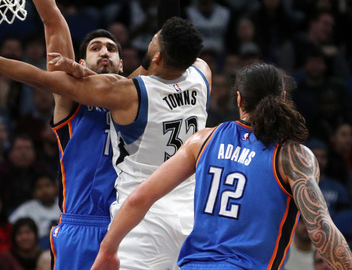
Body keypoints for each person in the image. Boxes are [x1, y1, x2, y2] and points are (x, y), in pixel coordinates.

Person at [0, 0, 190, 270]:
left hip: (132, 226)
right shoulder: (70, 100)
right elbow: (52, 18)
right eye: (96, 48)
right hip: (80, 226)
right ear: (80, 62)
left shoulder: (134, 92)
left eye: (111, 49)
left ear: (121, 63)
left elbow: (170, 38)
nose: (104, 52)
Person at [91, 63, 352, 270]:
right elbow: (320, 230)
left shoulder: (202, 140)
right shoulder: (293, 156)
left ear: (239, 99)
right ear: (283, 98)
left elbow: (139, 198)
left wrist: (108, 249)